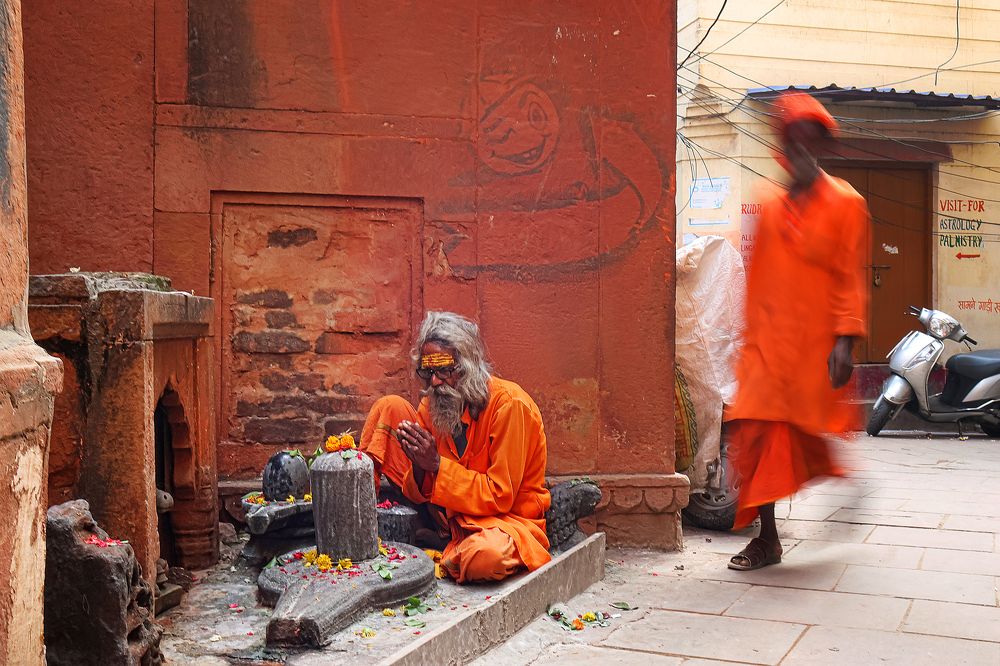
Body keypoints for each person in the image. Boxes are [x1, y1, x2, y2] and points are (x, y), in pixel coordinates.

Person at [726, 91, 869, 571]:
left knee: (799, 437)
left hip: (813, 347)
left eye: (812, 140)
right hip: (765, 350)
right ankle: (767, 538)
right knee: (754, 435)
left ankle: (842, 477)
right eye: (795, 140)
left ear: (821, 147)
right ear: (783, 147)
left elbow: (850, 277)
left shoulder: (846, 203)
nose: (803, 149)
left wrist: (845, 341)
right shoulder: (767, 205)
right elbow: (757, 281)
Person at [359, 311, 551, 583]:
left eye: (444, 371)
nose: (435, 382)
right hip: (447, 515)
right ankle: (363, 523)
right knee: (388, 407)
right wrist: (418, 463)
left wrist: (436, 465)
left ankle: (446, 546)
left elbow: (500, 497)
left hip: (503, 521)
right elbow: (417, 491)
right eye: (428, 372)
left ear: (467, 366)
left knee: (486, 558)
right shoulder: (433, 404)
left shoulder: (509, 405)